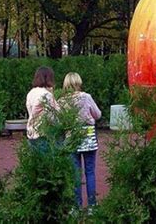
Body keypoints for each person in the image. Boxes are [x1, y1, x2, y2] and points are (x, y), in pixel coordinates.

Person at [60, 72, 101, 209]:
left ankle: (76, 207)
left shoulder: (62, 101)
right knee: (90, 172)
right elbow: (98, 114)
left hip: (71, 137)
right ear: (79, 82)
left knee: (75, 173)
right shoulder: (86, 97)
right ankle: (92, 207)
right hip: (88, 136)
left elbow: (60, 121)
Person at [26, 66, 59, 149]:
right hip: (44, 133)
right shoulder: (47, 94)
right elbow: (54, 113)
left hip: (32, 131)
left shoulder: (31, 92)